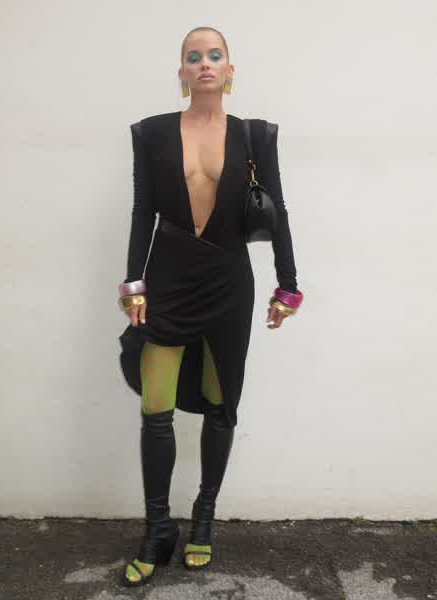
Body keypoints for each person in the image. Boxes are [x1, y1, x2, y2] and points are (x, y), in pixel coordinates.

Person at [117, 26, 304, 587]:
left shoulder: (254, 136)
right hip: (168, 276)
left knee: (221, 405)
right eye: (193, 56)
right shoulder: (152, 133)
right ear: (182, 72)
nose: (204, 63)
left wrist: (288, 285)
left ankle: (202, 518)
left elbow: (277, 210)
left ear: (229, 70)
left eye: (214, 55)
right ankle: (157, 529)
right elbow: (142, 211)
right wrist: (134, 282)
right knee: (156, 409)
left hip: (227, 279)